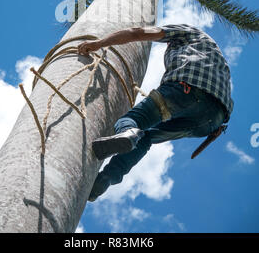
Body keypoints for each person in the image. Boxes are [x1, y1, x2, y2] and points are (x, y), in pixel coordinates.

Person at [77, 24, 233, 202]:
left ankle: (127, 133)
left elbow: (138, 33)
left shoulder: (189, 32)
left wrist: (99, 43)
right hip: (212, 121)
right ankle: (105, 179)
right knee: (146, 137)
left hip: (185, 90)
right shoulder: (217, 58)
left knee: (131, 121)